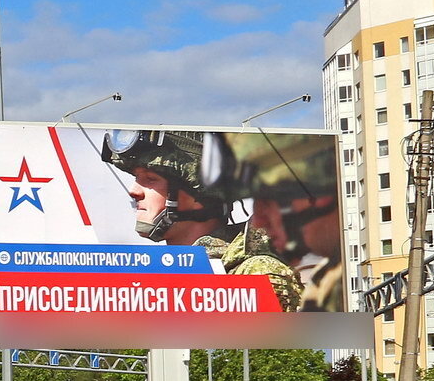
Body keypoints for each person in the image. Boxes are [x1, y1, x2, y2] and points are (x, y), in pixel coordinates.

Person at [100, 129, 300, 311]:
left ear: (197, 195)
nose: (134, 191)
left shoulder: (253, 273)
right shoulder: (155, 277)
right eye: (137, 178)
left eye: (151, 179)